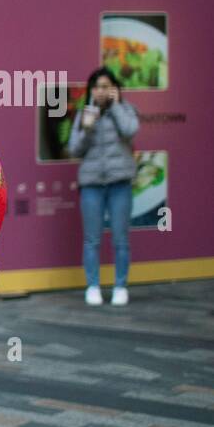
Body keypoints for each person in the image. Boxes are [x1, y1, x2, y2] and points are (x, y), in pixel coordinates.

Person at [68, 66, 139, 306]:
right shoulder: (84, 114)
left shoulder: (125, 110)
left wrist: (117, 106)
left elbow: (131, 131)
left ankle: (120, 286)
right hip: (92, 184)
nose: (101, 91)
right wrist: (87, 127)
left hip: (120, 182)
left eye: (106, 86)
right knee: (91, 239)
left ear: (115, 89)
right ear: (91, 90)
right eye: (97, 87)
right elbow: (74, 149)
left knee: (120, 239)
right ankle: (93, 286)